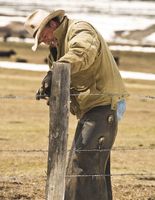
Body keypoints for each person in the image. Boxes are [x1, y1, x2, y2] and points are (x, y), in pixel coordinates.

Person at [25, 9, 128, 200]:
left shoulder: (80, 30)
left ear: (52, 24)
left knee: (82, 163)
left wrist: (55, 72)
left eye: (44, 36)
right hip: (93, 106)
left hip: (104, 103)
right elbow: (66, 78)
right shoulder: (56, 51)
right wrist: (51, 90)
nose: (45, 41)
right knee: (93, 167)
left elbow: (82, 54)